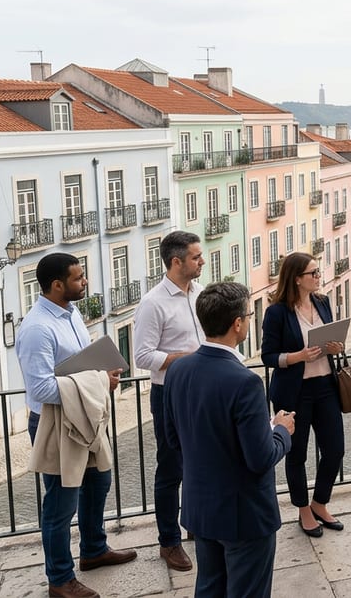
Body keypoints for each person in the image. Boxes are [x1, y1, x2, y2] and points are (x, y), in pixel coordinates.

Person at [163, 282, 296, 597]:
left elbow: (173, 438)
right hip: (244, 514)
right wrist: (280, 431)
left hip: (200, 507)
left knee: (209, 589)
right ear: (237, 324)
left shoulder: (177, 370)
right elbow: (260, 458)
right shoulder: (245, 382)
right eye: (249, 315)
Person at [16, 253, 136, 598]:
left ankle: (94, 550)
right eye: (79, 278)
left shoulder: (72, 313)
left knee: (100, 481)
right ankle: (59, 579)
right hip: (54, 422)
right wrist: (100, 381)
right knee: (61, 503)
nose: (85, 282)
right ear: (57, 285)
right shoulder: (37, 329)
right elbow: (39, 388)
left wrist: (101, 373)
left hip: (84, 415)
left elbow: (78, 364)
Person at [260, 253, 346, 538]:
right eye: (313, 273)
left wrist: (335, 347)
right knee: (296, 454)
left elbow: (333, 340)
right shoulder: (277, 312)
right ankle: (303, 511)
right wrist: (298, 356)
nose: (319, 276)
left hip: (325, 386)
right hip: (294, 392)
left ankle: (320, 503)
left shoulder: (322, 302)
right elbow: (268, 356)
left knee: (335, 450)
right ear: (297, 278)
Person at [132, 231, 204, 571]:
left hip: (201, 389)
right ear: (176, 262)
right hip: (170, 393)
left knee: (200, 463)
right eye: (195, 257)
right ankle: (169, 542)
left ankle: (196, 525)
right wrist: (186, 358)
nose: (201, 261)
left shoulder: (200, 294)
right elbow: (142, 356)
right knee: (171, 468)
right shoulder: (153, 303)